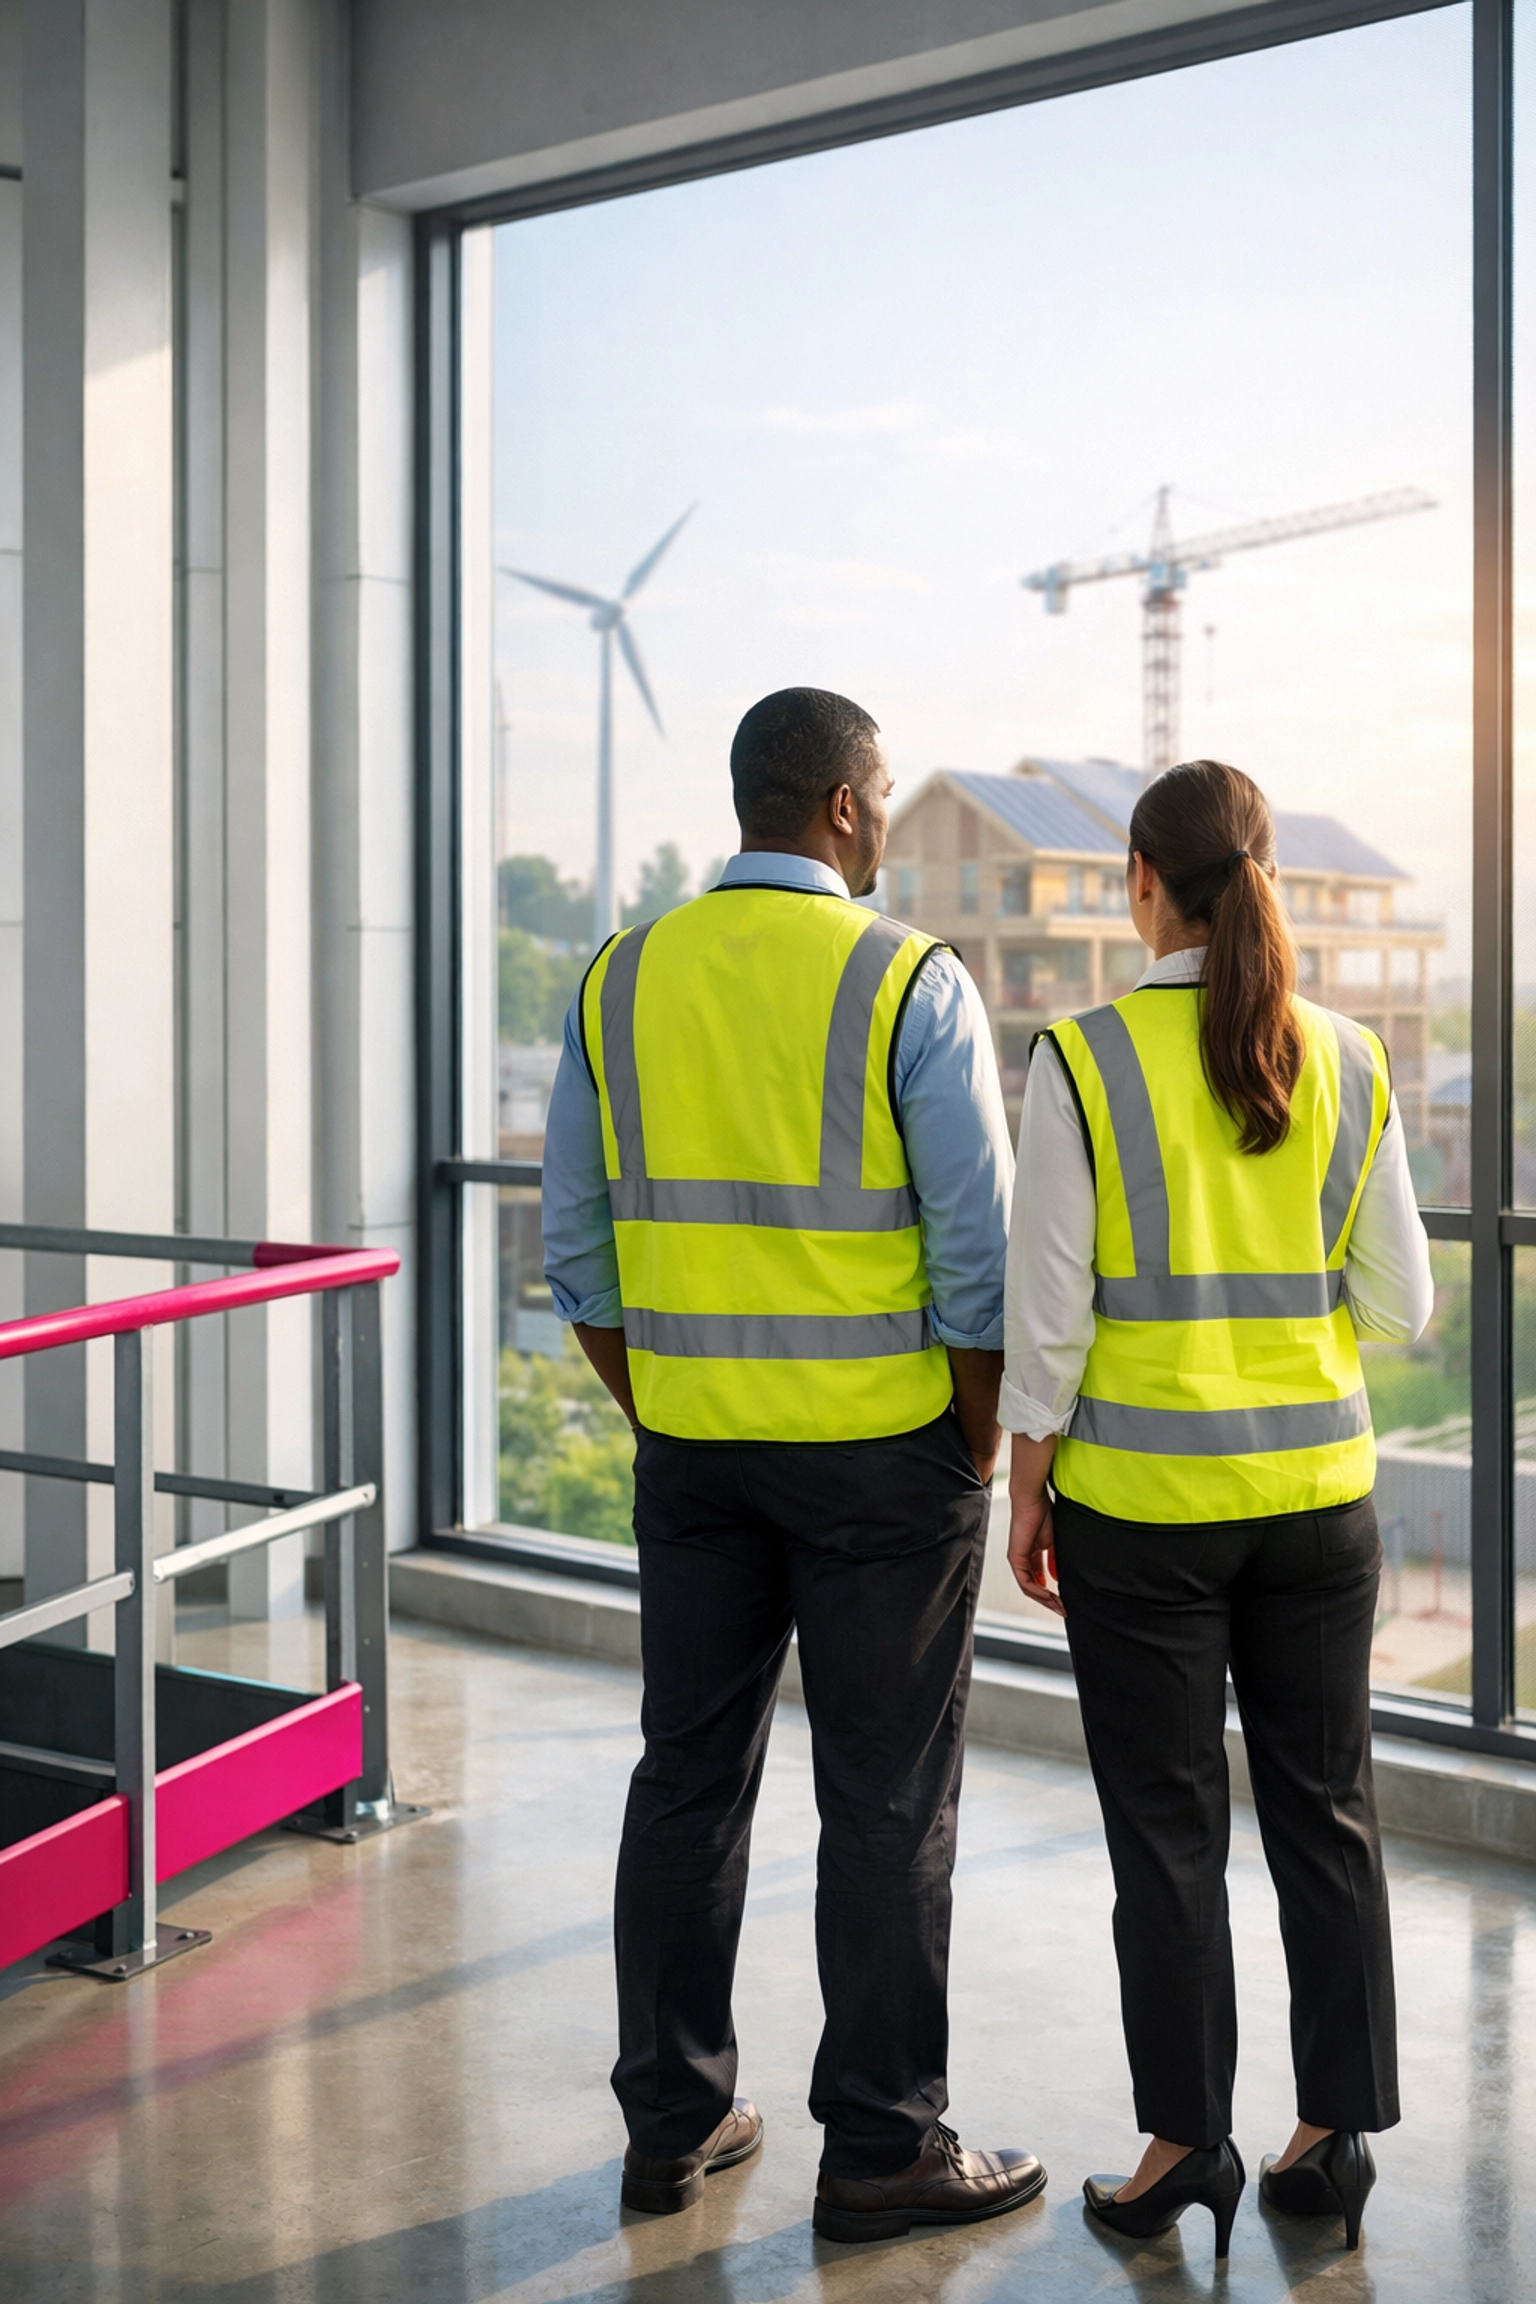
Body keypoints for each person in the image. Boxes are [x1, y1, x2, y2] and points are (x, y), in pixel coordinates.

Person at [542, 687, 1047, 2243]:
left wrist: (670, 1405)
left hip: (696, 1453)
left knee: (685, 1778)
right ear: (839, 806)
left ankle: (669, 2125)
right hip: (884, 1465)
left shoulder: (621, 974)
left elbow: (577, 1251)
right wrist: (971, 1441)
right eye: (882, 791)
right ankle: (883, 2145)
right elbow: (978, 1256)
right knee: (887, 1798)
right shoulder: (906, 982)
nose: (887, 814)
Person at [1003, 759, 1432, 2261]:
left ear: (1141, 882)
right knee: (1328, 1816)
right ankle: (1336, 2136)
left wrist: (1027, 1486)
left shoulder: (1085, 1059)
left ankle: (1186, 2147)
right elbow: (1406, 1302)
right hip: (1322, 1505)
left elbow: (1046, 1320)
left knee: (1169, 1835)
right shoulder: (1351, 1058)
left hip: (1145, 1520)